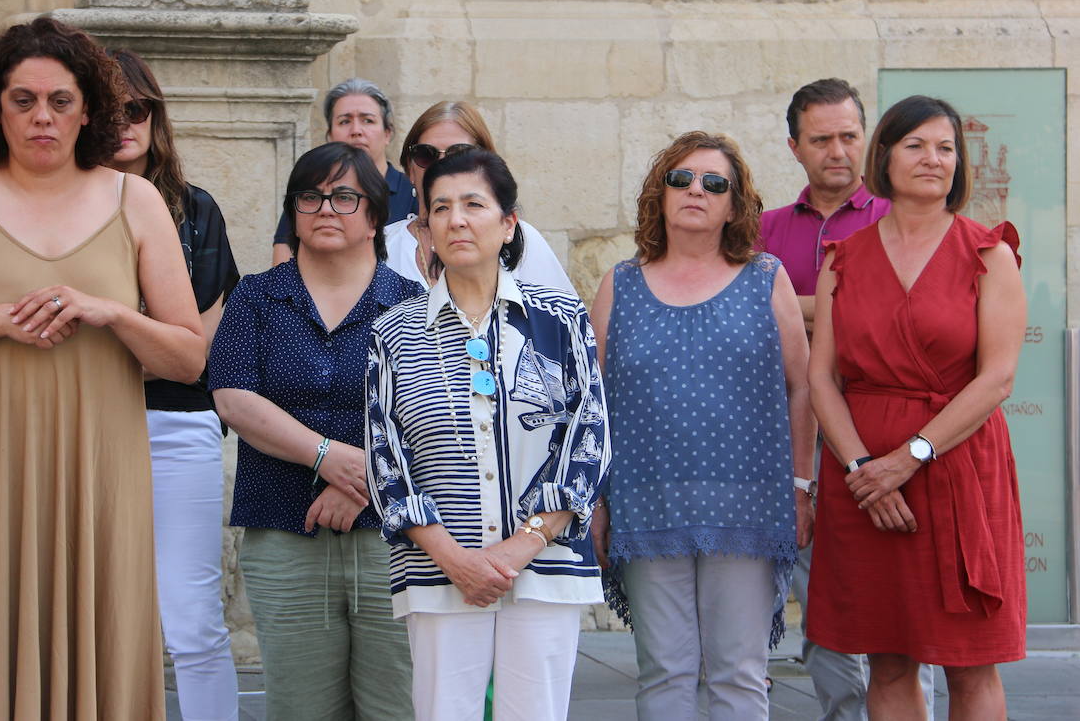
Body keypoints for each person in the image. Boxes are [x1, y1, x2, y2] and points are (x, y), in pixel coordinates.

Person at [0, 17, 206, 719]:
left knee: (98, 639)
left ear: (87, 109)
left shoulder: (136, 200)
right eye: (22, 99)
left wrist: (111, 314)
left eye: (60, 100)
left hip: (97, 471)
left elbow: (188, 356)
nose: (41, 117)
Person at [366, 148, 609, 721]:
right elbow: (385, 459)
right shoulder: (394, 334)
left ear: (508, 224)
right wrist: (457, 560)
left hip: (547, 565)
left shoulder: (561, 319)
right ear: (424, 230)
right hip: (437, 570)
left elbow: (588, 437)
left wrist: (519, 546)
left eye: (474, 204)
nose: (456, 219)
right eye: (440, 208)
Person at [805, 96, 1026, 719]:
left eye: (946, 148)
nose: (934, 159)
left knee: (970, 661)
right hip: (865, 481)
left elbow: (998, 378)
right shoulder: (841, 259)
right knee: (889, 657)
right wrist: (862, 472)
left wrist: (908, 458)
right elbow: (822, 380)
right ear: (885, 157)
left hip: (959, 474)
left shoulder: (990, 253)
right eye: (916, 145)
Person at [591, 131, 815, 720]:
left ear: (735, 203)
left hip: (747, 507)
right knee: (663, 671)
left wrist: (800, 486)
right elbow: (594, 402)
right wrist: (595, 501)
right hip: (646, 504)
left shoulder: (767, 278)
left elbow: (802, 387)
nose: (696, 190)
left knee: (739, 675)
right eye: (681, 179)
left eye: (714, 183)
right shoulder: (621, 283)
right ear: (658, 194)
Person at [209, 142, 422, 720]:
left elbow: (428, 421)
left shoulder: (414, 306)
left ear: (375, 215)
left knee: (395, 704)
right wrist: (326, 456)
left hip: (393, 536)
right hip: (283, 529)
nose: (326, 208)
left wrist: (362, 481)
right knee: (300, 707)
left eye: (345, 196)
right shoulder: (256, 297)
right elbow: (232, 395)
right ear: (294, 211)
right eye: (311, 196)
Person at [759, 77, 934, 719]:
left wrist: (797, 308)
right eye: (822, 139)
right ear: (795, 147)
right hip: (793, 436)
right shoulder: (764, 229)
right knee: (823, 597)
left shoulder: (903, 220)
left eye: (850, 136)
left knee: (906, 605)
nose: (838, 150)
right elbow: (744, 314)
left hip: (893, 435)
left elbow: (899, 321)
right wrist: (832, 307)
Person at [106, 48, 242, 721]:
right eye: (110, 110)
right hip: (85, 427)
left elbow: (195, 356)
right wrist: (154, 336)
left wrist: (114, 339)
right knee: (94, 616)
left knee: (191, 618)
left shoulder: (195, 212)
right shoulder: (60, 212)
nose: (126, 123)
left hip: (176, 425)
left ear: (157, 119)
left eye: (139, 109)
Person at [385, 100, 574, 293]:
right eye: (426, 155)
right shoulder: (383, 247)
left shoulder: (521, 239)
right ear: (409, 169)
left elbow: (564, 318)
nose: (440, 167)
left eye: (458, 154)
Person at [270, 78, 418, 266]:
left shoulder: (413, 192)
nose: (356, 130)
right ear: (330, 135)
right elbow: (283, 263)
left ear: (387, 133)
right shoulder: (309, 196)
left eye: (368, 120)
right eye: (344, 121)